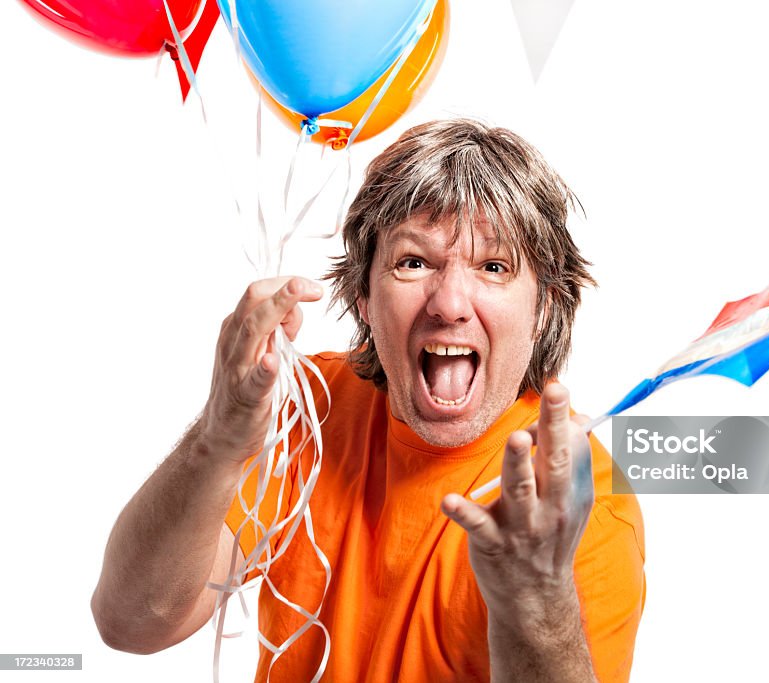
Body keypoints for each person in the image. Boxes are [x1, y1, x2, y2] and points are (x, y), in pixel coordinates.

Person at [91, 119, 645, 682]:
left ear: (545, 307)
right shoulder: (308, 410)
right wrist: (217, 440)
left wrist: (538, 597)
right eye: (414, 262)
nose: (450, 303)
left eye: (493, 267)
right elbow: (131, 622)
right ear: (363, 293)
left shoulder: (582, 508)